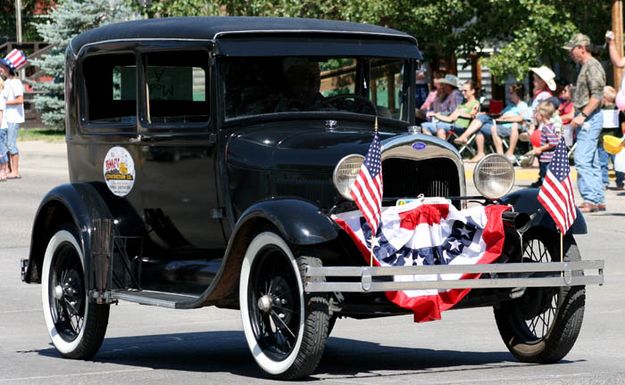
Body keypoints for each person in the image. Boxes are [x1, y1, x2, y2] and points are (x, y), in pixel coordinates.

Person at [564, 33, 606, 212]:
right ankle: (597, 199)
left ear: (581, 48)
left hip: (590, 117)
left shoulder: (592, 66)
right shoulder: (586, 66)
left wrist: (583, 115)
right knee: (591, 160)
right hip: (589, 117)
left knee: (581, 159)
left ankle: (590, 199)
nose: (570, 53)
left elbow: (597, 95)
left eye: (572, 49)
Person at [454, 82, 529, 163]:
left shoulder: (522, 105)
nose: (510, 95)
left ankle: (465, 136)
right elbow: (500, 115)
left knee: (482, 121)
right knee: (480, 120)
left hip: (509, 128)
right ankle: (480, 153)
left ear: (517, 94)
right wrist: (487, 114)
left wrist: (506, 119)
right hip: (499, 125)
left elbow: (522, 118)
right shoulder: (510, 106)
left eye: (511, 93)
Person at [0, 49, 27, 179]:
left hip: (13, 118)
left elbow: (20, 100)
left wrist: (5, 103)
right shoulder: (6, 82)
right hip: (6, 119)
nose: (1, 69)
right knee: (5, 144)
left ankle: (15, 171)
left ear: (9, 69)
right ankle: (8, 170)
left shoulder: (16, 82)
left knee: (11, 144)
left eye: (3, 67)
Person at [529, 101, 560, 187]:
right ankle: (541, 182)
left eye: (536, 113)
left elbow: (553, 143)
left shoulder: (547, 128)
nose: (535, 115)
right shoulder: (547, 126)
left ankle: (546, 187)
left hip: (548, 157)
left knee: (547, 174)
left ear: (541, 115)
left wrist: (540, 149)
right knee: (543, 172)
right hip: (544, 157)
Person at [0, 78, 8, 181]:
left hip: (0, 127)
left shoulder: (0, 97)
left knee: (1, 150)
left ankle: (3, 171)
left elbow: (0, 114)